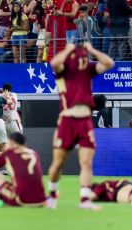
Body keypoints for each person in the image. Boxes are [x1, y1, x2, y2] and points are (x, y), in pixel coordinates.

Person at [47, 42, 115, 210]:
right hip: (67, 120)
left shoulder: (88, 72)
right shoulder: (63, 72)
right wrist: (68, 49)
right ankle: (53, 194)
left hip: (85, 121)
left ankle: (85, 199)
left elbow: (109, 63)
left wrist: (91, 50)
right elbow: (54, 63)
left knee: (86, 163)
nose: (82, 60)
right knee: (58, 163)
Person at [0, 132, 46, 207]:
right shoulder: (34, 153)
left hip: (21, 200)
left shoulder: (9, 153)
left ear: (12, 143)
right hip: (41, 200)